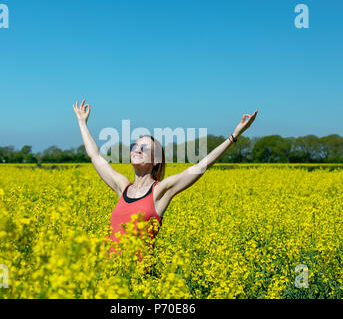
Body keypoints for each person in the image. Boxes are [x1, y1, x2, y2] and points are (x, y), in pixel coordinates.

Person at [73, 98, 258, 270]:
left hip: (139, 283)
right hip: (109, 279)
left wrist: (233, 136)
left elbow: (201, 166)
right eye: (134, 146)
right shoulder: (122, 186)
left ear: (155, 160)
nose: (137, 149)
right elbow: (95, 156)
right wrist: (82, 122)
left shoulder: (160, 191)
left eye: (144, 148)